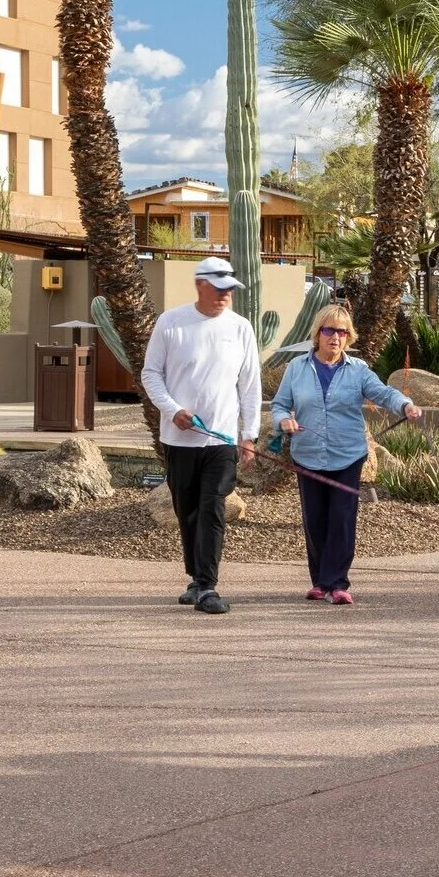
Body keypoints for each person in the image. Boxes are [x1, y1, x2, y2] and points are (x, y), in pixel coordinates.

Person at [272, 305, 422, 604]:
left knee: (341, 518)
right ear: (317, 334)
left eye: (342, 332)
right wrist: (282, 421)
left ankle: (336, 583)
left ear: (349, 336)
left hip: (348, 455)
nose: (335, 337)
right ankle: (319, 582)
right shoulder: (296, 369)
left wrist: (405, 404)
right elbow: (279, 405)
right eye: (329, 330)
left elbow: (384, 394)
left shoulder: (358, 371)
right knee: (315, 519)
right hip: (308, 454)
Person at [140, 256, 262, 615]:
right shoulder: (172, 322)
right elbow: (151, 374)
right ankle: (195, 577)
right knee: (187, 510)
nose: (226, 295)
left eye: (231, 290)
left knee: (212, 508)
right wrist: (172, 409)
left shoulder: (241, 328)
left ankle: (208, 586)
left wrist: (249, 434)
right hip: (179, 440)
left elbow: (250, 384)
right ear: (200, 285)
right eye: (220, 289)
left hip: (221, 441)